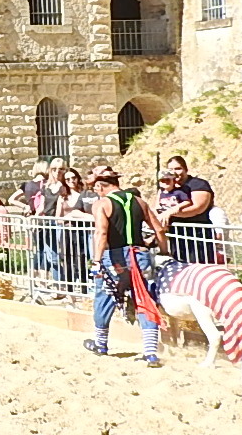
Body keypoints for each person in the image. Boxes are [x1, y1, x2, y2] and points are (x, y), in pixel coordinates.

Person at [83, 165, 169, 367]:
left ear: (99, 186)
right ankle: (150, 352)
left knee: (105, 297)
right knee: (145, 298)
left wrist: (96, 261)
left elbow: (101, 234)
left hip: (115, 257)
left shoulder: (102, 204)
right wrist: (165, 253)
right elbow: (159, 230)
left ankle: (100, 343)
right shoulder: (139, 201)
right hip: (140, 255)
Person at [159, 156, 215, 264]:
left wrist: (170, 213)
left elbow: (198, 208)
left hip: (198, 234)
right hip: (176, 235)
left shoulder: (198, 184)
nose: (174, 172)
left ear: (186, 169)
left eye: (178, 168)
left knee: (199, 266)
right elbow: (159, 206)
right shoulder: (167, 187)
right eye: (171, 169)